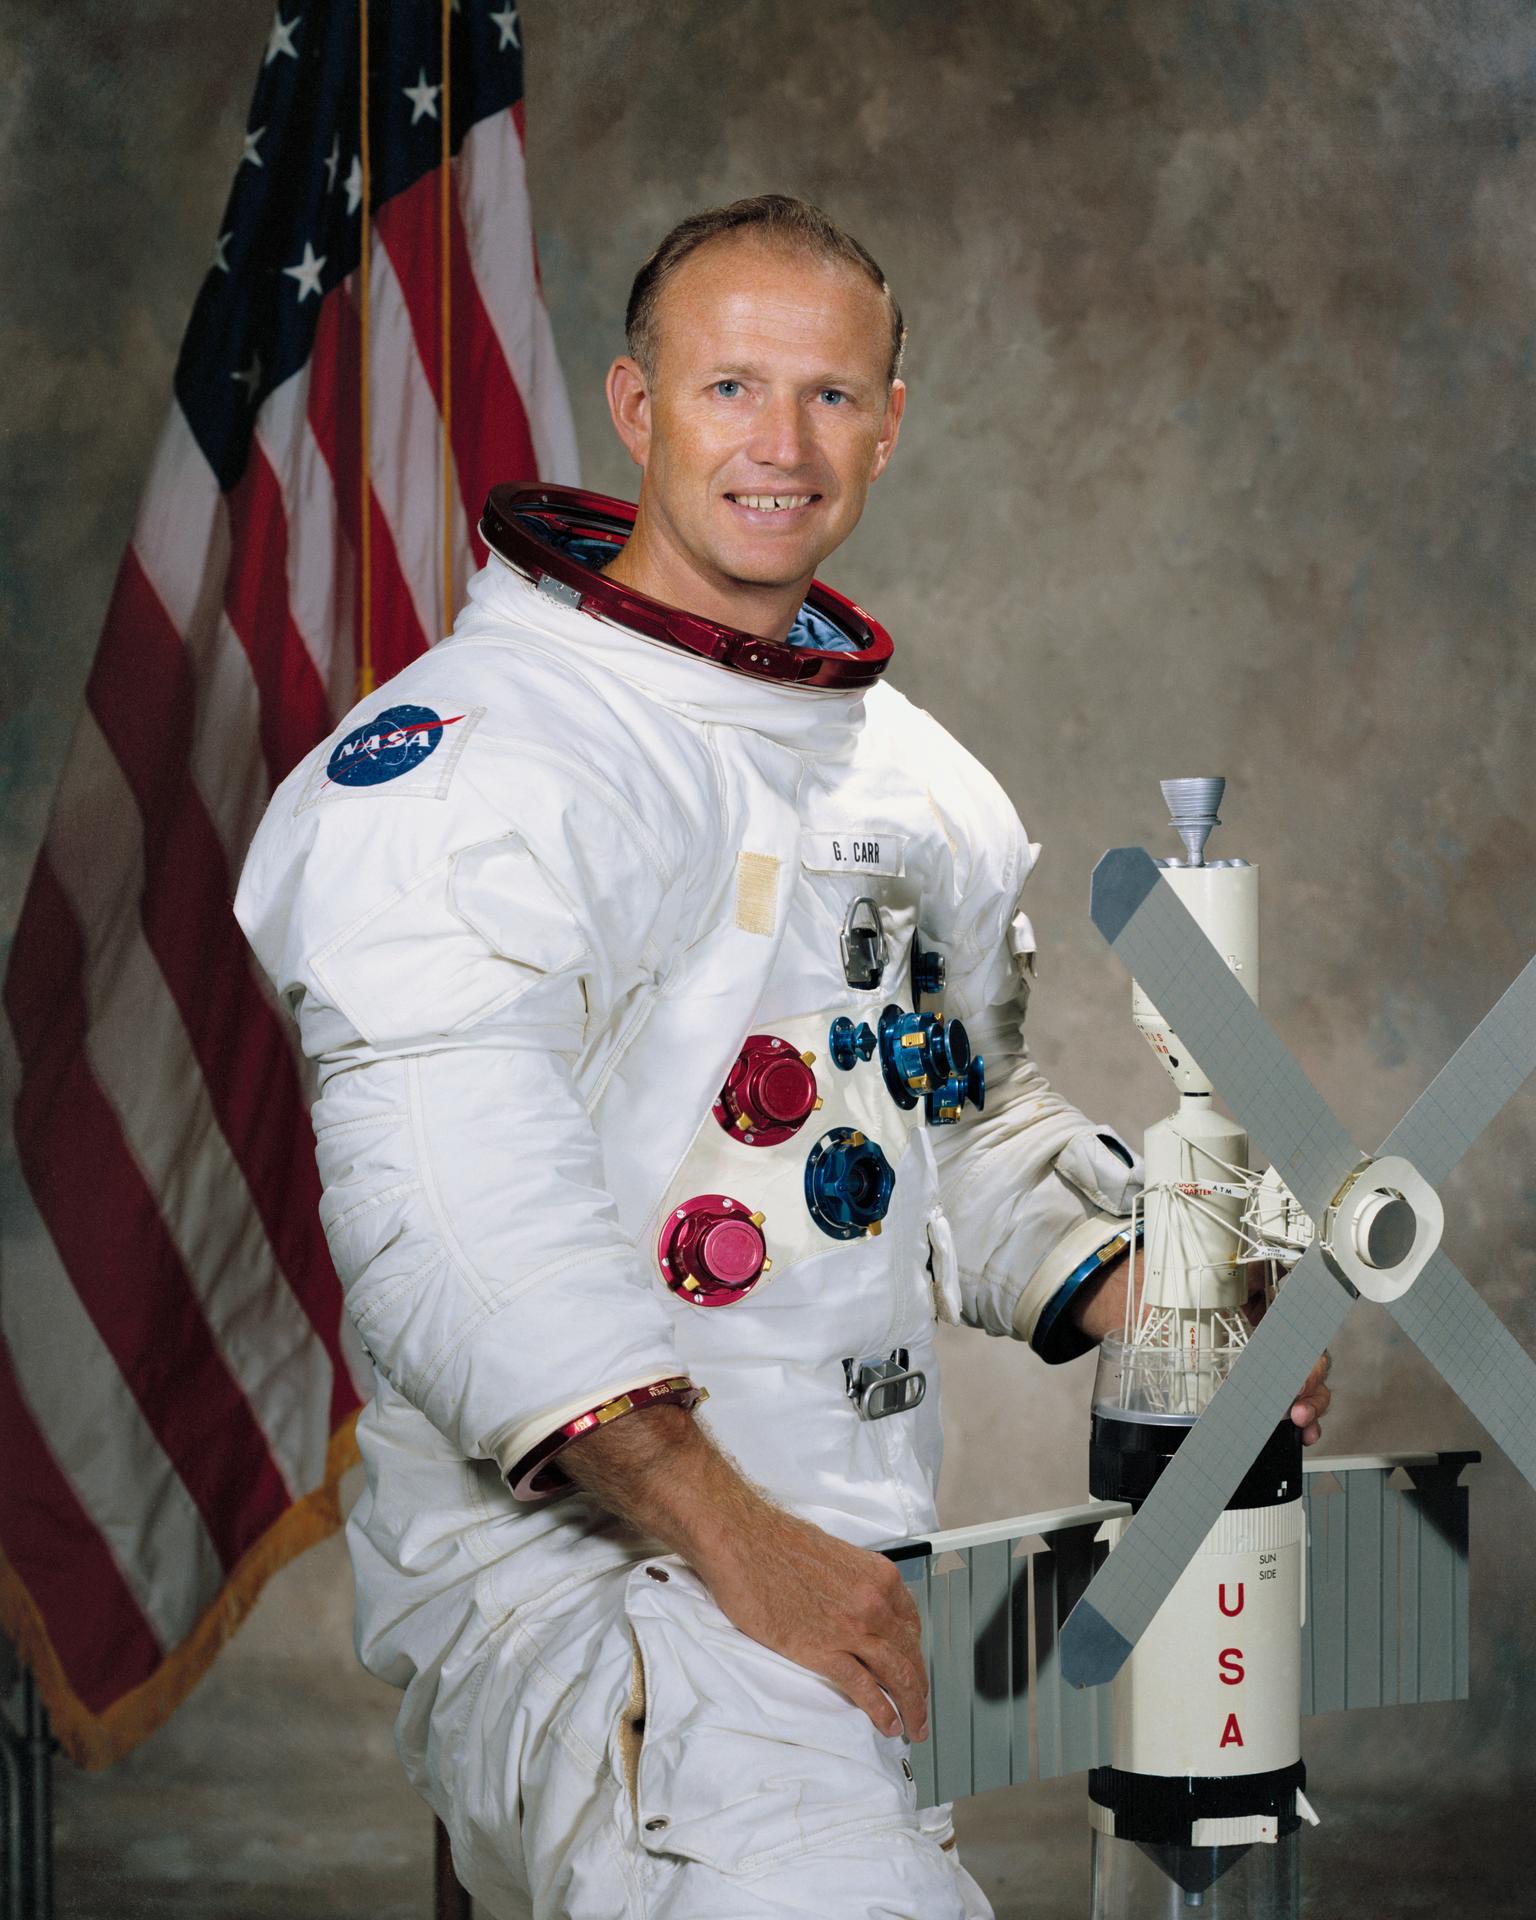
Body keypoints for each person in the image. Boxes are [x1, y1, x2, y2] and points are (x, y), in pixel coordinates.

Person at [236, 194, 1330, 1920]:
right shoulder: (478, 765)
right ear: (639, 404)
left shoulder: (918, 786)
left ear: (891, 423)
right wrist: (730, 1535)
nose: (783, 444)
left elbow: (949, 1127)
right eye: (733, 386)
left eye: (830, 397)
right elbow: (456, 1221)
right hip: (579, 1569)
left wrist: (1159, 1287)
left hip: (841, 1557)